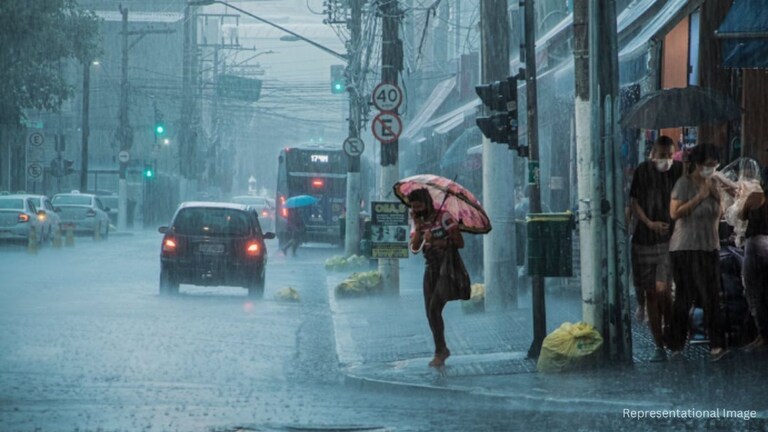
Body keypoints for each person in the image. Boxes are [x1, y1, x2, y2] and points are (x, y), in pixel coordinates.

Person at [667, 143, 729, 362]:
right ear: (698, 164)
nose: (711, 169)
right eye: (708, 165)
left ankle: (717, 346)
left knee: (712, 296)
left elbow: (719, 213)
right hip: (685, 247)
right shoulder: (683, 183)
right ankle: (676, 344)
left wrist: (716, 195)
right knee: (685, 297)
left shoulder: (714, 183)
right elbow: (674, 213)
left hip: (710, 246)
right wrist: (700, 197)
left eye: (714, 165)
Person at [628, 135, 683, 362]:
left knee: (663, 289)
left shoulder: (679, 170)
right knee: (651, 293)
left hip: (669, 240)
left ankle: (672, 331)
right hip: (644, 239)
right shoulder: (642, 171)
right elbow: (633, 202)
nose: (666, 160)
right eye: (662, 156)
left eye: (670, 155)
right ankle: (658, 344)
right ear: (653, 154)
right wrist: (649, 223)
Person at [408, 188, 464, 368]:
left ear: (427, 203)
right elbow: (415, 248)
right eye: (413, 207)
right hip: (430, 268)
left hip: (446, 269)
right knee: (430, 313)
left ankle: (440, 351)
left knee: (434, 309)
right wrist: (418, 228)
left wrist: (435, 241)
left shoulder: (444, 217)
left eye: (419, 206)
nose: (416, 210)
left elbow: (459, 242)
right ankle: (441, 349)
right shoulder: (419, 221)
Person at [738, 167, 768, 352]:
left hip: (757, 244)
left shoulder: (756, 197)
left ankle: (762, 335)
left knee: (754, 290)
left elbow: (741, 215)